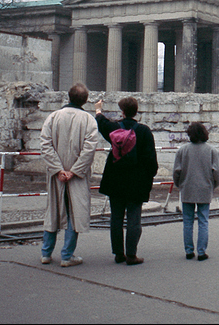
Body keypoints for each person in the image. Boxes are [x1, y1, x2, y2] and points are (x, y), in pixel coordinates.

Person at [39, 82, 99, 268]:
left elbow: (45, 144)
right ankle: (67, 255)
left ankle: (46, 253)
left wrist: (58, 169)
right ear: (85, 100)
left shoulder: (53, 117)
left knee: (53, 210)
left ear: (68, 97)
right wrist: (74, 171)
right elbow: (90, 149)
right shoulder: (89, 120)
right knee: (75, 213)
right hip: (76, 175)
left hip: (57, 175)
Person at [95, 96, 158, 266]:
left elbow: (101, 123)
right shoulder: (144, 131)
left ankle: (118, 253)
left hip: (115, 180)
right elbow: (151, 160)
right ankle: (131, 254)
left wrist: (98, 109)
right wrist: (149, 177)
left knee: (116, 218)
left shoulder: (115, 129)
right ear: (136, 111)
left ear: (122, 112)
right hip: (136, 182)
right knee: (134, 218)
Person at [172, 122, 219, 261]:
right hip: (204, 188)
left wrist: (180, 184)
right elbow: (217, 173)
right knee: (203, 221)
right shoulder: (212, 151)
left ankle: (188, 250)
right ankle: (201, 252)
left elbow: (176, 171)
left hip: (187, 188)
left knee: (187, 221)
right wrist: (213, 185)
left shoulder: (183, 150)